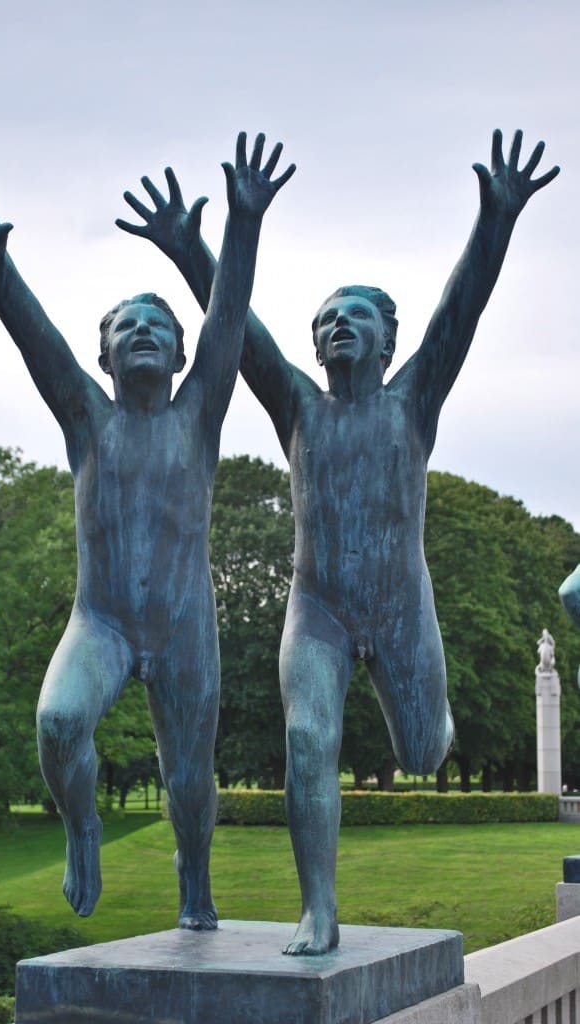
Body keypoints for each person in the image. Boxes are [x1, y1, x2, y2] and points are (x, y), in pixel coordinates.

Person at [117, 129, 559, 954]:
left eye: (354, 317)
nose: (335, 327)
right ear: (314, 348)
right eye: (323, 322)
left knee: (422, 753)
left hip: (399, 607)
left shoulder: (412, 401)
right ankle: (317, 909)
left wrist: (495, 220)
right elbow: (238, 330)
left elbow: (459, 311)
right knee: (307, 737)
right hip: (315, 608)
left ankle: (430, 722)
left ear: (387, 340)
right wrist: (189, 247)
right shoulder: (297, 406)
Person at [0, 132, 295, 927]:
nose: (142, 335)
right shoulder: (87, 420)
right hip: (100, 624)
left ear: (181, 355)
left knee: (188, 778)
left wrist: (242, 222)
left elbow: (227, 318)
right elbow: (35, 340)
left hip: (185, 626)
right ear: (102, 357)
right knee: (59, 722)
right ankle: (82, 826)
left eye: (157, 328)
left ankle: (194, 888)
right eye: (126, 328)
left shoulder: (198, 415)